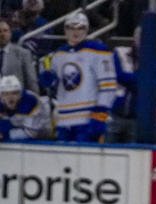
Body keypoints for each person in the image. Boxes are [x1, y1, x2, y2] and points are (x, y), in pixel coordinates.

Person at [39, 12, 116, 142]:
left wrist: (100, 113)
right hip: (63, 119)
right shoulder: (58, 54)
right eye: (71, 28)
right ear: (65, 30)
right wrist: (48, 80)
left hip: (87, 119)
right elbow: (57, 86)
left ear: (86, 29)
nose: (76, 32)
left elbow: (108, 85)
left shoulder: (98, 51)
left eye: (80, 28)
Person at [0, 74, 51, 141]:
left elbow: (32, 133)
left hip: (47, 127)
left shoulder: (30, 102)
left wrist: (5, 134)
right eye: (6, 94)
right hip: (20, 125)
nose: (10, 97)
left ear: (20, 94)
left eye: (14, 93)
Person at [0, 17, 38, 93]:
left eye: (5, 31)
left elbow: (31, 81)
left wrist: (35, 100)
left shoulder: (23, 53)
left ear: (10, 33)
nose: (2, 34)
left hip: (18, 101)